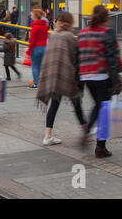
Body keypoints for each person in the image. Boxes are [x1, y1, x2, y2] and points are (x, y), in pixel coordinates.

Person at [78, 5, 122, 158]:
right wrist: (117, 77)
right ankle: (100, 146)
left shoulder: (83, 33)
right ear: (106, 18)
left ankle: (89, 131)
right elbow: (112, 57)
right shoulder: (107, 32)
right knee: (104, 109)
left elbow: (77, 57)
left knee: (99, 105)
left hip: (86, 76)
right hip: (102, 75)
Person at [37, 12, 87, 146]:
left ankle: (47, 136)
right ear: (70, 23)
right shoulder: (70, 37)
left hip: (54, 76)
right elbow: (76, 58)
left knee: (54, 104)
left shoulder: (53, 35)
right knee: (76, 103)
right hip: (67, 76)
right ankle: (85, 130)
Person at [26, 9, 49, 89]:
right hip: (44, 47)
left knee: (35, 66)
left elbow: (32, 41)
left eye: (32, 15)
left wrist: (28, 51)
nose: (31, 17)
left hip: (36, 48)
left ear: (35, 16)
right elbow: (46, 37)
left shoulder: (34, 27)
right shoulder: (45, 26)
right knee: (41, 66)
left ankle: (36, 83)